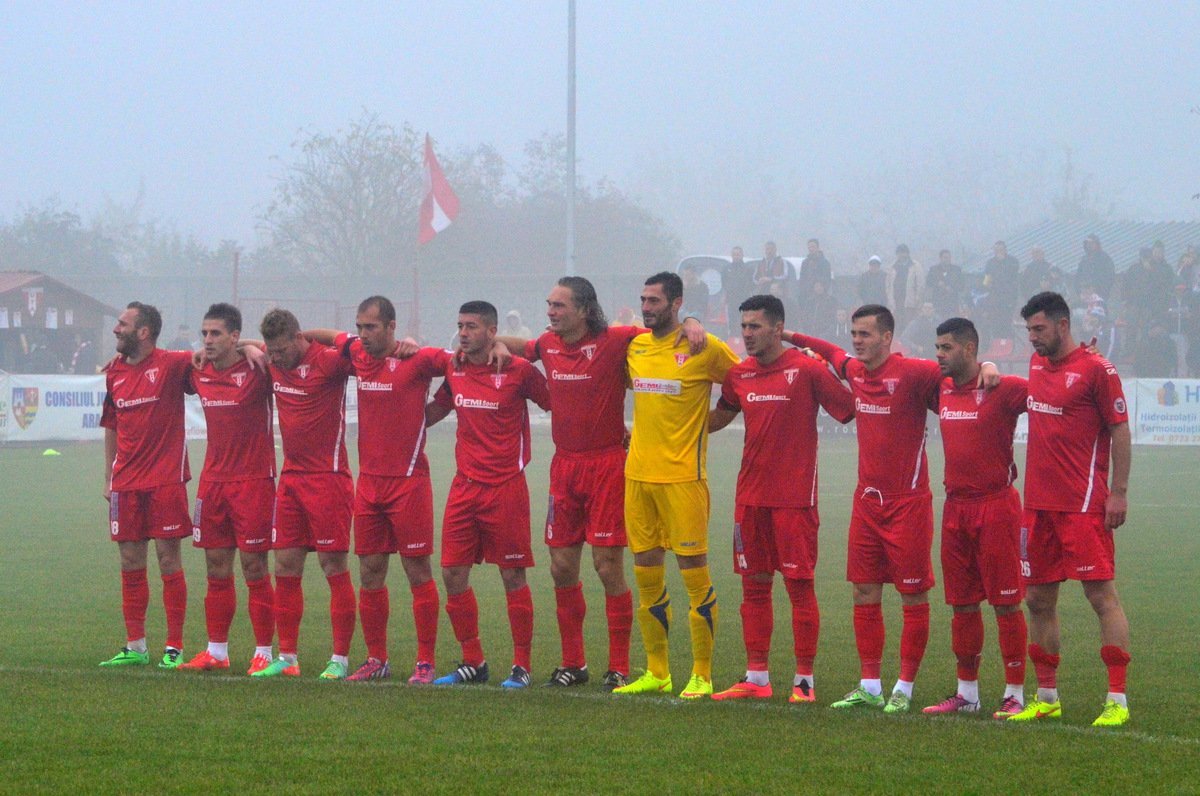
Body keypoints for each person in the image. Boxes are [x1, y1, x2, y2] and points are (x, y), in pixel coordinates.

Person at [495, 277, 706, 690]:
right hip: (564, 468)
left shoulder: (617, 340)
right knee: (561, 567)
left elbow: (664, 327)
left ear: (584, 310)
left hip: (607, 466)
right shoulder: (547, 344)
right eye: (549, 304)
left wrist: (693, 319)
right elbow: (511, 343)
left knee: (607, 566)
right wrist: (498, 343)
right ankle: (573, 663)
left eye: (558, 306)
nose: (551, 312)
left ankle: (619, 665)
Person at [786, 306, 996, 713]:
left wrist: (987, 363)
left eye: (865, 334)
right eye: (854, 333)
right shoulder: (856, 373)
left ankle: (904, 687)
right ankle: (869, 685)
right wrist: (791, 335)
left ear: (887, 337)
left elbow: (963, 370)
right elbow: (830, 352)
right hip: (866, 502)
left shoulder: (916, 372)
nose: (857, 341)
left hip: (909, 504)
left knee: (912, 596)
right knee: (864, 590)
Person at [707, 294, 854, 703]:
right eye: (744, 327)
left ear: (777, 327)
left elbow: (848, 408)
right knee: (753, 586)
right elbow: (721, 416)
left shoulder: (806, 369)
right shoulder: (739, 374)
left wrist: (831, 366)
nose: (747, 334)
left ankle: (804, 680)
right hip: (749, 497)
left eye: (755, 326)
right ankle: (756, 677)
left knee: (799, 587)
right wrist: (669, 428)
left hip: (794, 499)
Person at [303, 296, 454, 683]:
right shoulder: (357, 353)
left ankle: (424, 662)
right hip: (368, 485)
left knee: (417, 570)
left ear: (391, 327)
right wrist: (302, 335)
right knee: (370, 573)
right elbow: (330, 336)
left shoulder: (418, 359)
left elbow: (460, 365)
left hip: (409, 483)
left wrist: (434, 410)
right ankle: (377, 659)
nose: (363, 334)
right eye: (360, 327)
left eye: (371, 327)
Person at [613, 271, 740, 699]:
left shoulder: (703, 346)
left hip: (684, 480)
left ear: (677, 302)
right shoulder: (635, 345)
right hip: (637, 477)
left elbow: (742, 387)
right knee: (646, 577)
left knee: (694, 578)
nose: (647, 307)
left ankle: (702, 674)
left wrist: (711, 423)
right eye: (643, 300)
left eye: (655, 301)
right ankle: (657, 671)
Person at [1012, 292, 1132, 727]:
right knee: (1038, 599)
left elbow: (1119, 429)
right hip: (1037, 507)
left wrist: (1117, 491)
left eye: (1039, 329)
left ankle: (1116, 699)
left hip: (1082, 506)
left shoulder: (1098, 370)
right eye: (1028, 330)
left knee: (1100, 596)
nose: (1032, 338)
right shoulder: (1036, 364)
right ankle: (1046, 697)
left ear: (1063, 325)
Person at [425, 300, 551, 689]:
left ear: (493, 331)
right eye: (461, 325)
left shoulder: (519, 371)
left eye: (473, 327)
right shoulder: (454, 367)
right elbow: (436, 409)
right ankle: (473, 661)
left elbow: (557, 405)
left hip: (506, 488)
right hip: (464, 487)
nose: (464, 333)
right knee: (452, 573)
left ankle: (522, 666)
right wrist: (392, 412)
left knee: (512, 575)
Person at [922, 317, 1029, 719]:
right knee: (963, 604)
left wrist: (992, 368)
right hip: (955, 509)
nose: (938, 355)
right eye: (936, 348)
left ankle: (1015, 693)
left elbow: (1051, 399)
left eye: (946, 348)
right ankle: (967, 693)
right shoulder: (941, 387)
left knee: (1006, 604)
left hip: (997, 507)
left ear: (969, 349)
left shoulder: (1004, 389)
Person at [250, 308, 357, 681]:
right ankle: (289, 657)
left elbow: (360, 348)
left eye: (280, 350)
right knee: (285, 568)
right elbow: (245, 348)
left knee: (333, 567)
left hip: (328, 480)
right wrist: (252, 350)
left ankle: (339, 659)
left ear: (298, 338)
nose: (274, 359)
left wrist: (320, 333)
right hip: (291, 480)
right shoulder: (275, 362)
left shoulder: (327, 363)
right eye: (270, 351)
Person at [178, 303, 277, 675]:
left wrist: (253, 346)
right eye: (204, 333)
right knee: (216, 568)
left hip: (254, 482)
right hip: (213, 482)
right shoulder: (198, 370)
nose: (208, 340)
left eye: (216, 333)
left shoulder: (256, 367)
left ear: (234, 336)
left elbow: (283, 347)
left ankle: (264, 651)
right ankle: (217, 651)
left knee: (254, 567)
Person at [98, 302, 193, 669]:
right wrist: (109, 476)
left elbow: (215, 355)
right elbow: (111, 425)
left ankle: (174, 646)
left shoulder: (173, 363)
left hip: (165, 481)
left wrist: (250, 346)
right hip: (126, 483)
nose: (115, 329)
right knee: (129, 561)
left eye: (122, 324)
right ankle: (135, 645)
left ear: (144, 332)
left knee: (169, 560)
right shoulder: (114, 373)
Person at [888, 244, 923, 328]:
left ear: (907, 253)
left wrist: (918, 298)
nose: (901, 255)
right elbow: (888, 285)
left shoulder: (916, 266)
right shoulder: (892, 267)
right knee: (897, 323)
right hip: (896, 301)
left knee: (909, 323)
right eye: (899, 253)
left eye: (903, 252)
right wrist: (890, 299)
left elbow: (920, 284)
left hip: (910, 301)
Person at [1075, 235, 1116, 302]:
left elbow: (1110, 277)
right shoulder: (1084, 260)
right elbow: (1078, 277)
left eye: (1092, 243)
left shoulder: (1105, 259)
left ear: (1097, 244)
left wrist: (1101, 290)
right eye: (1088, 243)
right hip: (1085, 296)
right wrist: (1079, 291)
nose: (1090, 245)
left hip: (1100, 295)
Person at [926, 250, 964, 319]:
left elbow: (962, 285)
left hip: (952, 303)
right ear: (940, 258)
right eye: (945, 257)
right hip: (938, 303)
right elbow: (928, 282)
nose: (947, 259)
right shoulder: (933, 270)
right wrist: (937, 283)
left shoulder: (957, 270)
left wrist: (952, 288)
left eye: (949, 257)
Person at [724, 246, 753, 337]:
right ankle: (732, 340)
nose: (736, 256)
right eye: (734, 254)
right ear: (732, 255)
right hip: (731, 300)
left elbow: (751, 284)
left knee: (743, 321)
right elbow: (724, 283)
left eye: (738, 254)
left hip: (743, 300)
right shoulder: (727, 269)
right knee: (732, 321)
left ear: (742, 255)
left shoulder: (748, 269)